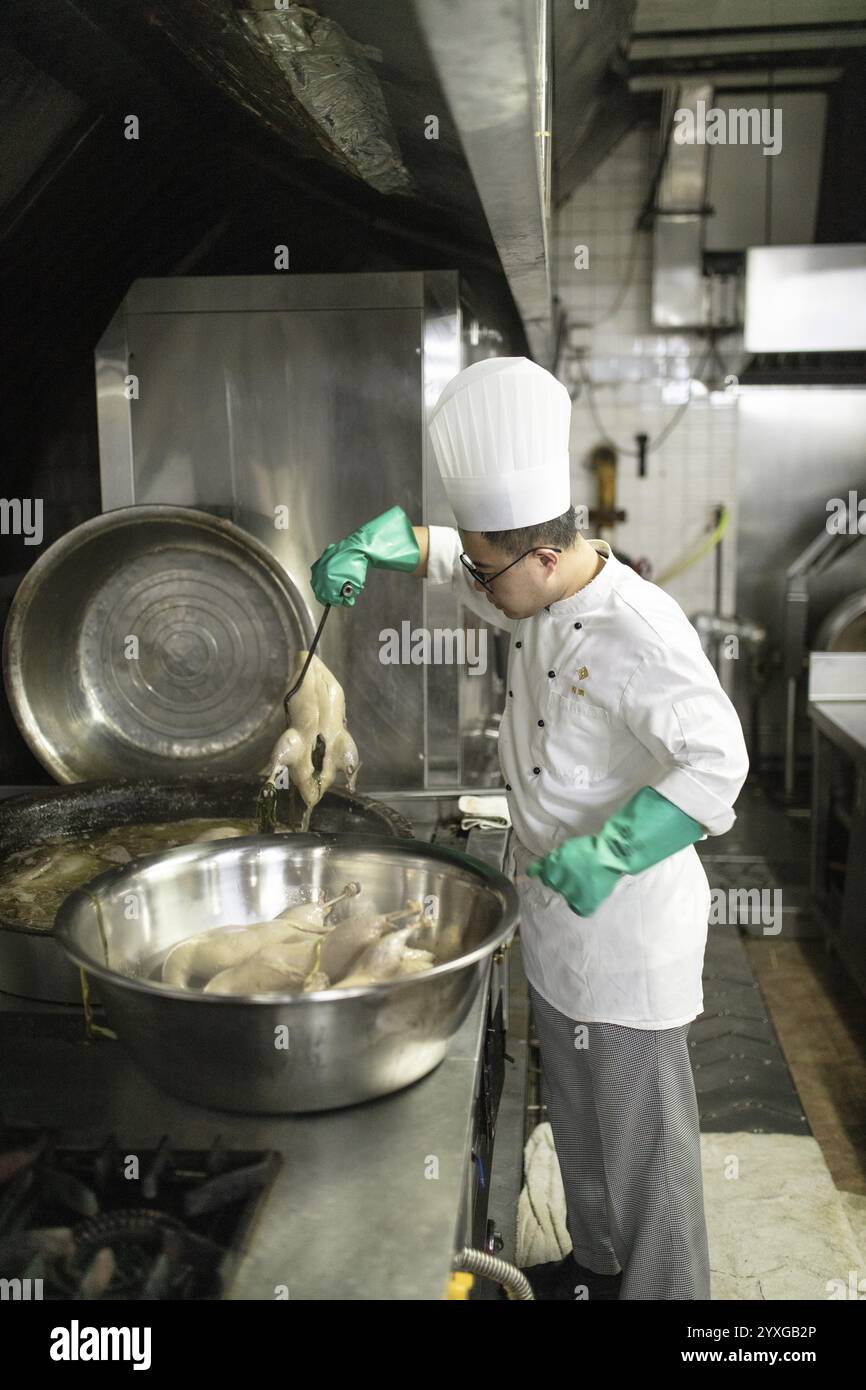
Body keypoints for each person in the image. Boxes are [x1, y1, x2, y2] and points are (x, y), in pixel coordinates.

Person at [310, 356, 749, 1301]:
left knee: (648, 1157)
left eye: (486, 566)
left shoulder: (642, 627)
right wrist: (373, 543)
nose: (474, 580)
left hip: (628, 937)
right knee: (581, 1134)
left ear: (545, 553)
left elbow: (720, 762)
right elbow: (447, 551)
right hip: (557, 924)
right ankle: (595, 1275)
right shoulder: (536, 591)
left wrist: (615, 850)